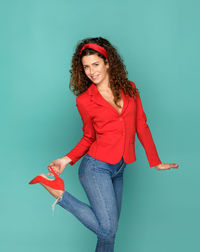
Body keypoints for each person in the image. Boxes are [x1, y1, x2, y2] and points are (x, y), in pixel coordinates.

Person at [29, 37, 179, 252]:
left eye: (96, 64)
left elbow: (141, 126)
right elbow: (88, 137)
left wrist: (155, 161)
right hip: (95, 167)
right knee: (107, 230)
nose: (91, 71)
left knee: (108, 234)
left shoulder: (130, 89)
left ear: (108, 63)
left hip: (119, 167)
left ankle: (59, 193)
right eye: (86, 67)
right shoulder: (84, 100)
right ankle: (60, 194)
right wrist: (66, 159)